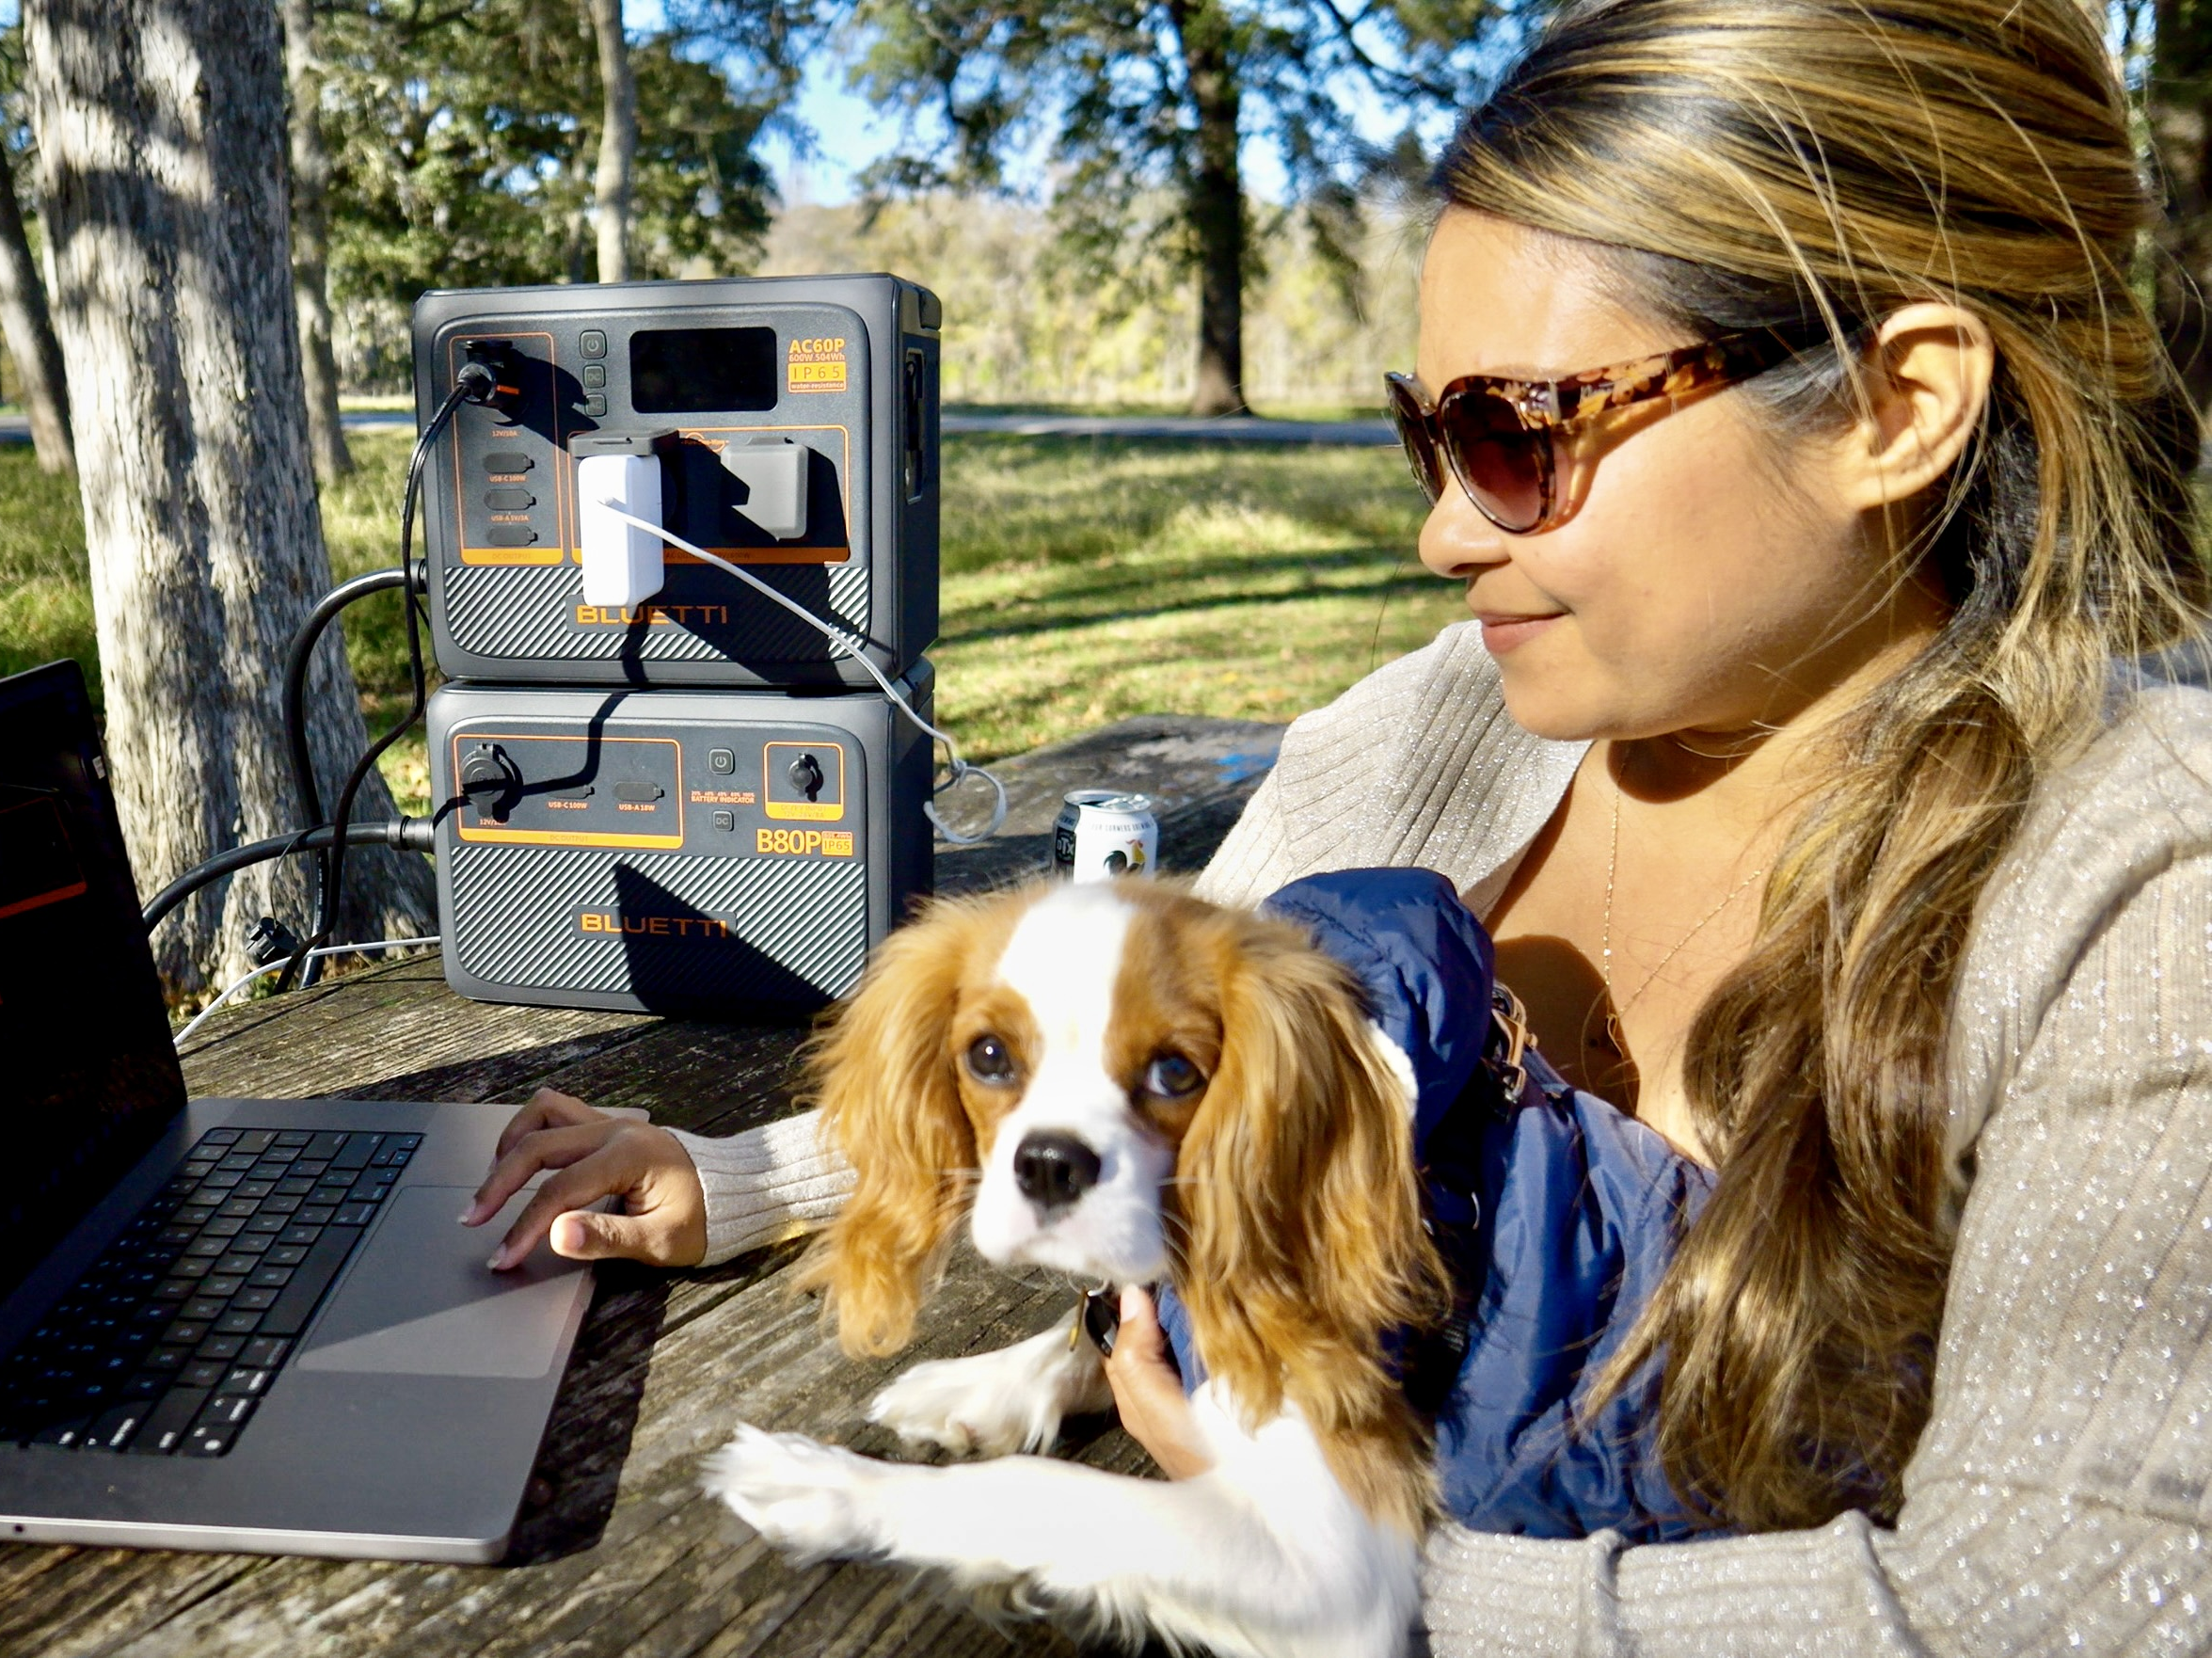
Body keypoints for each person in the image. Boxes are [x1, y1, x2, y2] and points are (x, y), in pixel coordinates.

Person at [465, 0, 2212, 1645]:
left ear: (1898, 406)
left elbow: (2045, 1609)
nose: (1446, 534)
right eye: (1420, 434)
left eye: (1521, 432)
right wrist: (742, 1173)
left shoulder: (2143, 904)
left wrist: (1372, 1578)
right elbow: (1127, 1043)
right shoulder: (1435, 724)